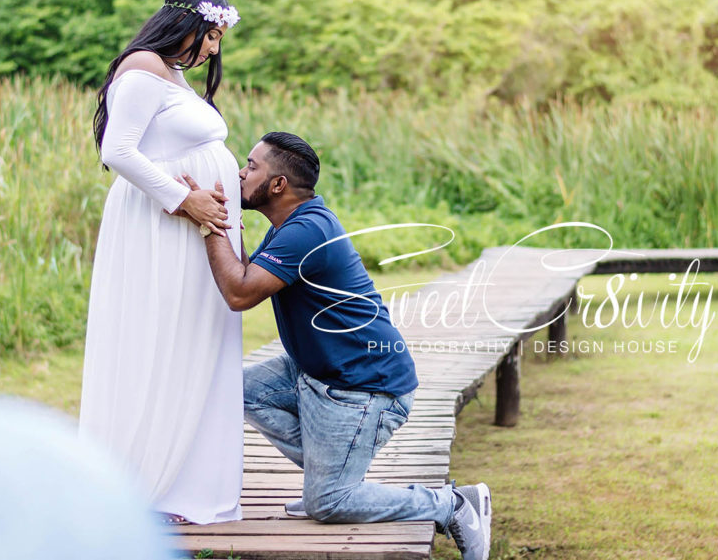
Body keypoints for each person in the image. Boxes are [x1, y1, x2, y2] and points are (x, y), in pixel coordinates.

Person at [176, 132, 492, 560]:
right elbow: (250, 273)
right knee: (229, 391)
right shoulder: (295, 223)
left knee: (329, 504)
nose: (239, 173)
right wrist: (224, 225)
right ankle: (329, 477)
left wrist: (209, 222)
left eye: (251, 166)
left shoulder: (306, 231)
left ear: (278, 185)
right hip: (316, 372)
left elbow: (239, 293)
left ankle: (451, 504)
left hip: (364, 387)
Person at [78, 0, 243, 525]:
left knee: (194, 339)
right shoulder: (144, 69)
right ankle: (150, 486)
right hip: (159, 229)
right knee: (161, 340)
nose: (215, 48)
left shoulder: (169, 72)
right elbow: (117, 150)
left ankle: (186, 484)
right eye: (212, 35)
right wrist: (182, 200)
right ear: (187, 23)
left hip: (184, 229)